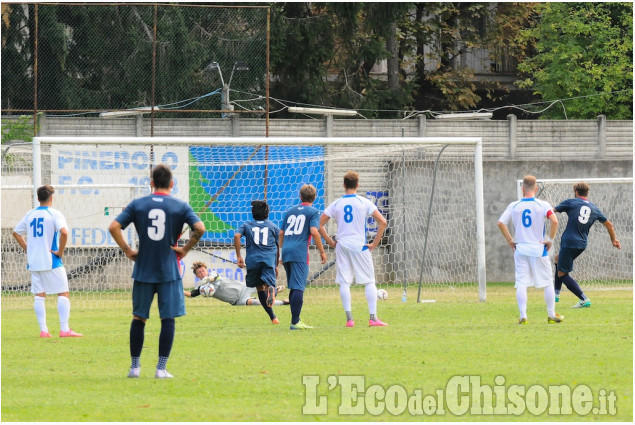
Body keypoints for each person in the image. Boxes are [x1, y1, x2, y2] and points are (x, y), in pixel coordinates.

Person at [109, 164, 205, 379]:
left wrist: (128, 251)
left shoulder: (138, 204)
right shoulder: (180, 206)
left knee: (139, 318)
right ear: (172, 184)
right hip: (168, 270)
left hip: (143, 268)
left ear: (151, 183)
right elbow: (199, 228)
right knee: (167, 319)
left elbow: (114, 227)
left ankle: (135, 367)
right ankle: (161, 369)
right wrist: (184, 250)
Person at [318, 171, 388, 327]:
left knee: (344, 282)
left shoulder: (336, 203)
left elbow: (319, 224)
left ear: (343, 185)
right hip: (359, 245)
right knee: (369, 281)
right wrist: (375, 244)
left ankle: (349, 319)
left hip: (342, 245)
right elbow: (382, 222)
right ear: (357, 185)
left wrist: (330, 242)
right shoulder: (364, 202)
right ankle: (373, 318)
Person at [12, 185, 82, 338]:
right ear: (51, 198)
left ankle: (44, 331)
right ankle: (64, 330)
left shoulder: (30, 214)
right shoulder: (54, 213)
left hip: (34, 261)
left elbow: (16, 233)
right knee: (63, 292)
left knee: (39, 294)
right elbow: (64, 232)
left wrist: (27, 248)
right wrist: (61, 252)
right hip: (51, 260)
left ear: (38, 199)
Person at [498, 175, 563, 324]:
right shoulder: (543, 205)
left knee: (521, 283)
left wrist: (510, 240)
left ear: (522, 189)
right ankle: (551, 315)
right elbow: (554, 220)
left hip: (520, 249)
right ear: (536, 188)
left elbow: (501, 223)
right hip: (538, 249)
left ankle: (523, 316)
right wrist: (550, 240)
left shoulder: (514, 205)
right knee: (547, 282)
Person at [553, 182, 621, 308]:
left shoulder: (571, 202)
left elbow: (552, 212)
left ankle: (584, 299)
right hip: (582, 244)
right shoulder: (595, 208)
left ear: (576, 193)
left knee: (562, 273)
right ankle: (556, 294)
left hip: (569, 242)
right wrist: (614, 240)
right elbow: (609, 225)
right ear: (587, 193)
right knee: (557, 259)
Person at [278, 184, 328, 330]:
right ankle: (295, 322)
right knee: (299, 286)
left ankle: (295, 320)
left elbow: (281, 233)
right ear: (315, 197)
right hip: (300, 253)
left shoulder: (290, 211)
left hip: (286, 250)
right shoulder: (313, 212)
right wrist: (322, 251)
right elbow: (314, 230)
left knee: (293, 286)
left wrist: (282, 251)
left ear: (300, 196)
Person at [234, 200, 281, 324]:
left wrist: (239, 256)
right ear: (267, 213)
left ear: (252, 213)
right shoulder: (272, 226)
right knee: (270, 285)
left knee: (259, 288)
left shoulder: (246, 225)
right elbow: (278, 244)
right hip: (268, 259)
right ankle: (271, 289)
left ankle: (273, 318)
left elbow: (237, 236)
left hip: (253, 260)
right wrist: (276, 263)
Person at [184, 261, 289, 306]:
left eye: (203, 271)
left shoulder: (213, 274)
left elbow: (212, 278)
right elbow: (191, 294)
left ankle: (275, 290)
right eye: (199, 273)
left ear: (206, 270)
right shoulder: (202, 288)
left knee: (262, 285)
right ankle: (284, 302)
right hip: (238, 300)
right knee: (258, 303)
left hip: (244, 287)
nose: (202, 273)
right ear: (197, 276)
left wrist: (207, 279)